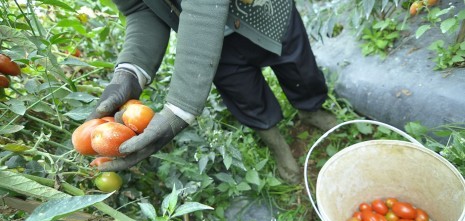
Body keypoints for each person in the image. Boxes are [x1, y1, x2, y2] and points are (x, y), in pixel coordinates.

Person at [87, 0, 336, 184]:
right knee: (245, 95)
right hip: (212, 43)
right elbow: (140, 7)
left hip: (267, 13)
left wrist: (181, 106)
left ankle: (310, 109)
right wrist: (132, 69)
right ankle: (277, 143)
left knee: (300, 70)